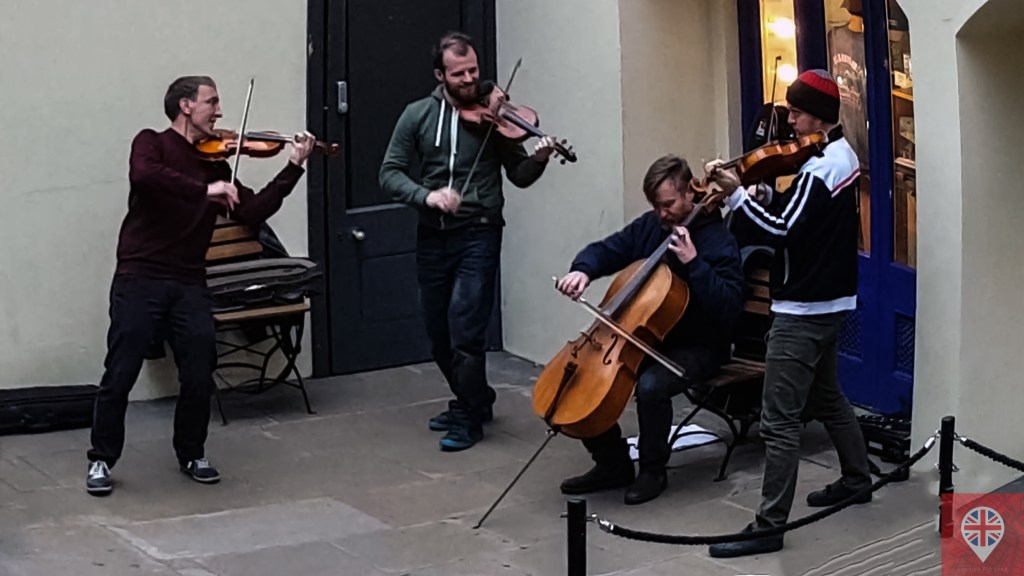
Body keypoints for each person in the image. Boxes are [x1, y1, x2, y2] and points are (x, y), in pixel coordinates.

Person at [85, 75, 315, 495]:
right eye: (212, 102)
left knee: (199, 369)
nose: (221, 111)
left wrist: (294, 165)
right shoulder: (151, 143)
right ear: (186, 106)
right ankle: (101, 459)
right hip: (140, 275)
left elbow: (253, 211)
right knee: (120, 369)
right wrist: (203, 190)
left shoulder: (217, 162)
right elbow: (145, 177)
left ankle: (191, 452)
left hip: (189, 280)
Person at [705, 69, 872, 558]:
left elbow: (781, 230)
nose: (789, 121)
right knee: (829, 398)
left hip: (804, 308)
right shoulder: (837, 155)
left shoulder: (820, 167)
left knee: (779, 421)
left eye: (795, 112)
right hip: (832, 301)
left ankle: (768, 524)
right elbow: (798, 213)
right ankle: (858, 479)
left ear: (816, 115)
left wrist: (737, 194)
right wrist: (760, 192)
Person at [379, 31, 558, 452]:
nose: (470, 80)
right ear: (440, 75)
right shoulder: (418, 115)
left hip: (479, 231)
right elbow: (389, 172)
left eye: (474, 70)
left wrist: (540, 158)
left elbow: (520, 176)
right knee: (437, 332)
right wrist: (427, 195)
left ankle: (468, 417)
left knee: (465, 328)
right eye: (459, 74)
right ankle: (475, 400)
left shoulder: (497, 117)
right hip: (434, 233)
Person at [554, 154, 745, 505]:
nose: (662, 214)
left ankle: (653, 470)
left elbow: (728, 307)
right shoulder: (651, 228)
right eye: (656, 206)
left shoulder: (716, 239)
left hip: (701, 345)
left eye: (668, 205)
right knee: (581, 377)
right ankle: (612, 463)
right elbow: (609, 249)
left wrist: (693, 263)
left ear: (691, 192)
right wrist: (583, 269)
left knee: (652, 385)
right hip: (647, 338)